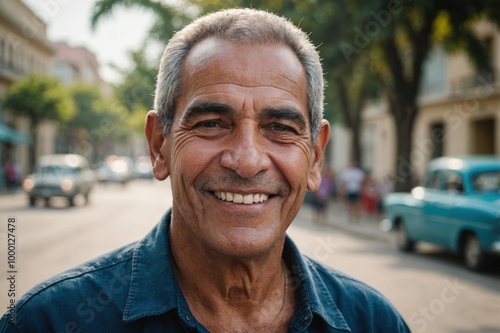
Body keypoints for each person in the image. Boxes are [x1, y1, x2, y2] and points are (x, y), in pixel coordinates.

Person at [0, 9, 410, 332]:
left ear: (316, 158)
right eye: (212, 123)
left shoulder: (374, 322)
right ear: (159, 145)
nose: (248, 161)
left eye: (280, 128)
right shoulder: (47, 323)